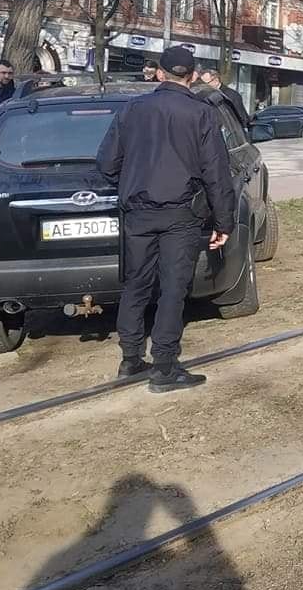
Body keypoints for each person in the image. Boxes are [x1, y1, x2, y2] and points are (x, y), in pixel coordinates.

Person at [97, 45, 236, 392]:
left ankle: (130, 359)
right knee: (173, 289)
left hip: (137, 211)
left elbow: (106, 163)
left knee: (135, 284)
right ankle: (164, 365)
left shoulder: (132, 109)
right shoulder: (202, 113)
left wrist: (131, 183)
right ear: (191, 76)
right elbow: (216, 172)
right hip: (181, 213)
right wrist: (224, 223)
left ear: (159, 74)